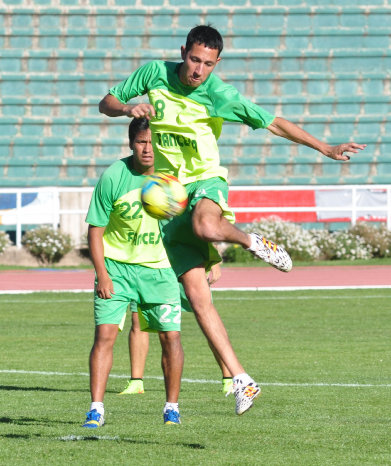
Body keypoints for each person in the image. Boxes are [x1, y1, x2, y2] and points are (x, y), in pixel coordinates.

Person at [98, 25, 366, 415]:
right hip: (171, 199)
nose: (198, 71)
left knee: (207, 226)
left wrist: (325, 147)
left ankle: (255, 242)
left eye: (208, 64)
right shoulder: (153, 73)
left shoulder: (218, 93)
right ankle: (242, 379)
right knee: (197, 297)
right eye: (194, 60)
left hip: (206, 183)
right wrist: (127, 108)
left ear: (216, 63)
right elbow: (105, 102)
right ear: (183, 52)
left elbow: (272, 122)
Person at [83, 117, 185, 427]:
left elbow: (191, 223)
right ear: (131, 143)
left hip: (159, 270)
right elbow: (95, 230)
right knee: (105, 335)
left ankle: (172, 407)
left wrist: (209, 260)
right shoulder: (115, 175)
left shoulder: (172, 177)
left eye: (153, 142)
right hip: (117, 268)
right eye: (141, 142)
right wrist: (102, 273)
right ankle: (96, 408)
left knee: (171, 337)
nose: (147, 149)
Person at [118, 262, 234, 397]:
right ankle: (136, 382)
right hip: (148, 268)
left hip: (183, 263)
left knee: (208, 320)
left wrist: (214, 262)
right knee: (138, 319)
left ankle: (229, 379)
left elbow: (204, 239)